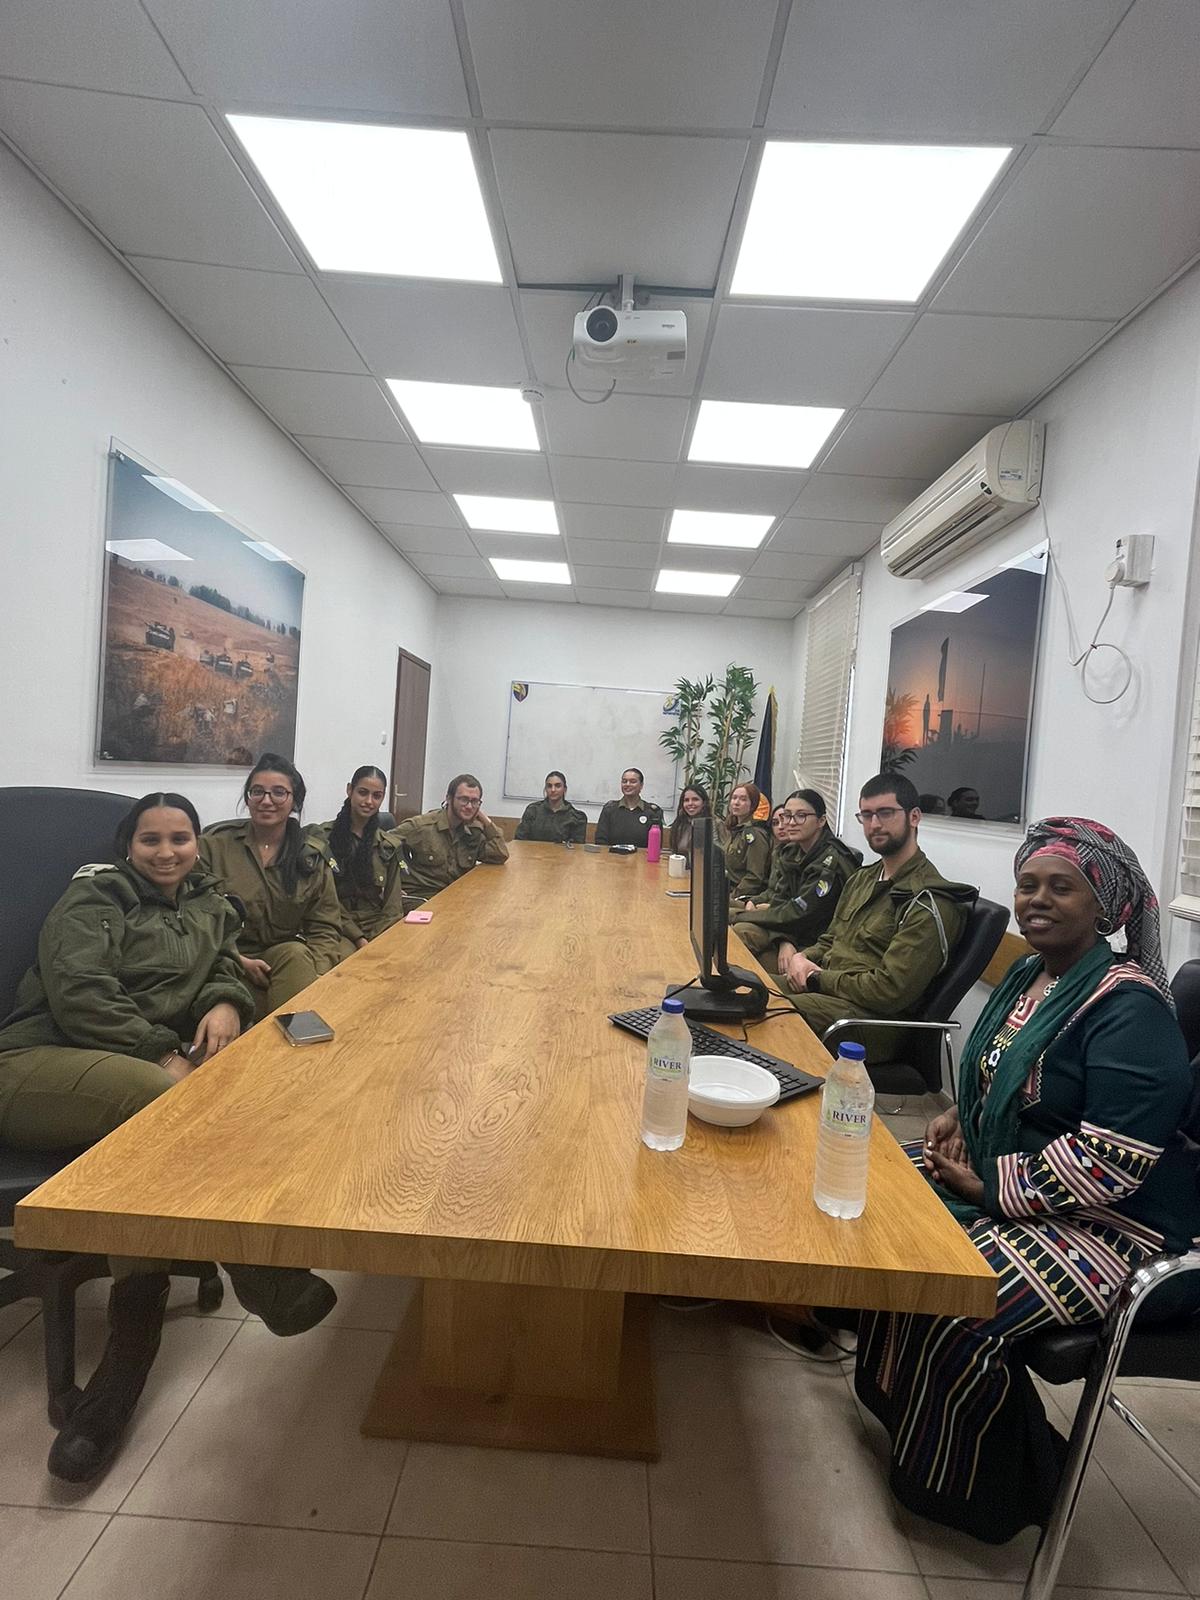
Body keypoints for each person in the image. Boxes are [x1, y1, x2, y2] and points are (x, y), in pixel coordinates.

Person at [853, 816, 1200, 1544]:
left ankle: (996, 1484)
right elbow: (1000, 1074)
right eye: (1027, 884)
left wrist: (987, 1187)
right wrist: (959, 1116)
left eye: (1060, 888)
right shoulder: (1030, 973)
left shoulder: (1129, 1008)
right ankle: (900, 1413)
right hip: (1023, 1179)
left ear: (1106, 907)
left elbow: (1111, 1160)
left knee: (949, 1287)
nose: (1036, 899)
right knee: (879, 1190)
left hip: (1114, 1226)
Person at [0, 793, 337, 1483]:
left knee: (171, 1120)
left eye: (179, 838)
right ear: (128, 845)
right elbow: (79, 992)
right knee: (163, 1105)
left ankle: (127, 1353)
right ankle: (258, 1269)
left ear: (196, 844)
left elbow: (224, 963)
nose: (166, 851)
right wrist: (161, 1051)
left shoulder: (207, 903)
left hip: (134, 1069)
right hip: (41, 1062)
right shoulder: (94, 898)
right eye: (150, 839)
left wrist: (225, 1000)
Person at [777, 773, 975, 1059]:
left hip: (870, 1022)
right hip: (829, 995)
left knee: (770, 1011)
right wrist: (802, 957)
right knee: (749, 989)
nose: (874, 824)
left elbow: (889, 991)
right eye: (867, 815)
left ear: (914, 817)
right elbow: (830, 939)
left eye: (885, 813)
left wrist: (817, 978)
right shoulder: (862, 879)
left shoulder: (928, 901)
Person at [200, 753, 343, 1016]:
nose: (266, 801)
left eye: (279, 793)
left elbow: (324, 926)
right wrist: (237, 959)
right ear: (248, 798)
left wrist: (317, 975)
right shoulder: (213, 846)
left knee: (295, 955)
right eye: (258, 792)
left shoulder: (309, 856)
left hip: (281, 961)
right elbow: (195, 920)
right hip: (223, 959)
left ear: (294, 801)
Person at [731, 789, 861, 972]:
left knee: (739, 932)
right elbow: (780, 900)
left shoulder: (831, 861)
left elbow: (800, 913)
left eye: (801, 816)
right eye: (787, 816)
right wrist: (784, 939)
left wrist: (738, 915)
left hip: (816, 944)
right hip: (792, 931)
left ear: (821, 821)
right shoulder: (792, 851)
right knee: (739, 930)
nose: (790, 823)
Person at [307, 765, 413, 955]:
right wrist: (359, 938)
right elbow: (324, 900)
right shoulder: (322, 839)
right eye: (363, 793)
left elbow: (393, 907)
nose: (369, 801)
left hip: (377, 925)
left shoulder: (389, 846)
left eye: (377, 796)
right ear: (350, 790)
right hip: (336, 925)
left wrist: (375, 938)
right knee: (345, 959)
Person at [393, 773, 509, 899]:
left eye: (475, 801)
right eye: (464, 799)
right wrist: (388, 886)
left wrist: (486, 822)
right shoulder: (422, 826)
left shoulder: (472, 832)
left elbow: (500, 854)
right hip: (422, 896)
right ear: (449, 798)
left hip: (454, 895)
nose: (469, 806)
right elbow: (382, 844)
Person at [723, 782, 772, 903]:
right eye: (734, 798)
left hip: (745, 896)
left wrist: (731, 897)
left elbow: (754, 877)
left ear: (753, 805)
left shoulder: (754, 834)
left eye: (743, 799)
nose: (736, 802)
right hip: (727, 889)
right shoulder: (736, 830)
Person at [594, 768, 664, 848]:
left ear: (641, 785)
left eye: (633, 781)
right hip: (612, 855)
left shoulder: (653, 812)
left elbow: (655, 845)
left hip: (642, 856)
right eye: (624, 781)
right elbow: (601, 841)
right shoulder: (610, 809)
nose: (627, 784)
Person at [514, 770, 588, 844]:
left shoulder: (577, 817)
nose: (553, 790)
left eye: (557, 786)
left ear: (564, 789)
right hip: (532, 851)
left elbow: (577, 848)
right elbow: (519, 840)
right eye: (549, 786)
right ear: (545, 789)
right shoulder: (533, 810)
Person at [667, 782, 715, 858]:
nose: (690, 803)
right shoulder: (679, 824)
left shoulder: (714, 824)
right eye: (686, 800)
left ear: (704, 802)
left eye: (695, 799)